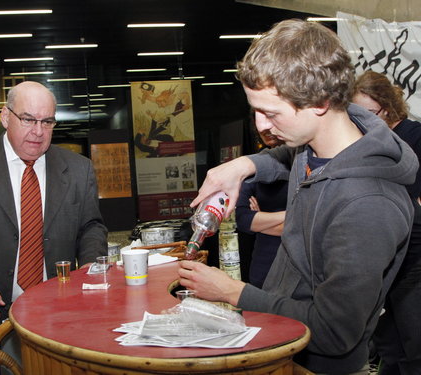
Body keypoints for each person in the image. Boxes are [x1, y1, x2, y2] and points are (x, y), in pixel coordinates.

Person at [178, 19, 418, 374]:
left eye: (270, 113)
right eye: (256, 111)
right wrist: (242, 166)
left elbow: (336, 332)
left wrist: (232, 292)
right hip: (280, 348)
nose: (260, 126)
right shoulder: (314, 145)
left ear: (320, 102)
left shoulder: (368, 204)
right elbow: (286, 158)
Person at [0, 81, 108, 374]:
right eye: (28, 119)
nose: (38, 131)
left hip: (59, 314)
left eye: (47, 122)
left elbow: (91, 226)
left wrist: (90, 271)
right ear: (6, 117)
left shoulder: (78, 169)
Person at [352, 70, 421, 374]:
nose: (364, 122)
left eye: (370, 113)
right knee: (388, 345)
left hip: (414, 253)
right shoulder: (366, 142)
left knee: (413, 344)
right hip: (380, 255)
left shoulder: (413, 135)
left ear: (388, 106)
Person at [235, 129, 287, 288]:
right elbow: (243, 220)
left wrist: (260, 219)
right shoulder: (254, 166)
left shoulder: (304, 163)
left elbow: (308, 226)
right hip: (262, 263)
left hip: (296, 265)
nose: (266, 127)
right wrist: (291, 214)